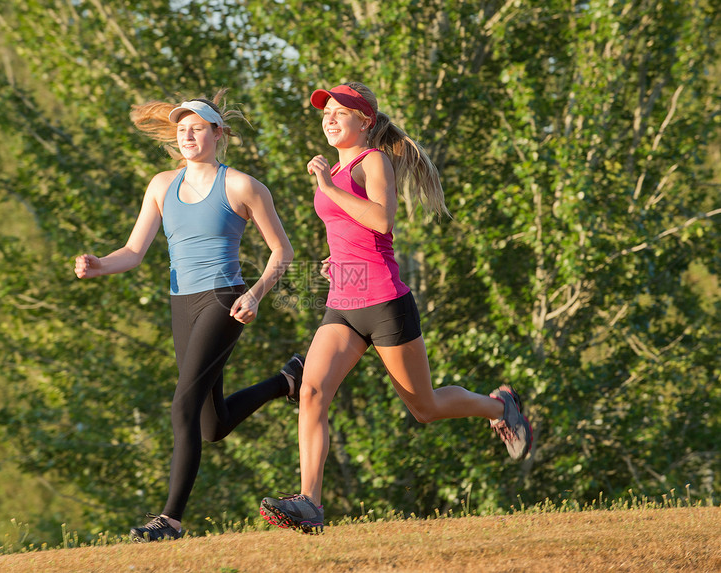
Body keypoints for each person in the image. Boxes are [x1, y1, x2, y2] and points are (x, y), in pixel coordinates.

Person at [259, 82, 532, 534]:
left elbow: (382, 220)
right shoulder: (339, 167)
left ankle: (498, 406)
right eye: (325, 112)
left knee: (424, 408)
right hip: (343, 301)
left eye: (340, 112)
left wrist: (327, 184)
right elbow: (349, 230)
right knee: (310, 392)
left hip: (385, 301)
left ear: (364, 121)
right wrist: (337, 261)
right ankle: (310, 502)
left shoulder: (373, 162)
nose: (329, 118)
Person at [75, 89, 303, 542]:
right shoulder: (161, 185)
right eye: (182, 129)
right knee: (211, 424)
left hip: (224, 297)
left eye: (197, 128)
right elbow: (134, 252)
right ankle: (287, 380)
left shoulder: (241, 185)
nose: (188, 136)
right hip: (182, 301)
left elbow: (283, 252)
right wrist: (100, 264)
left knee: (182, 402)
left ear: (217, 134)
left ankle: (171, 520)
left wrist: (256, 295)